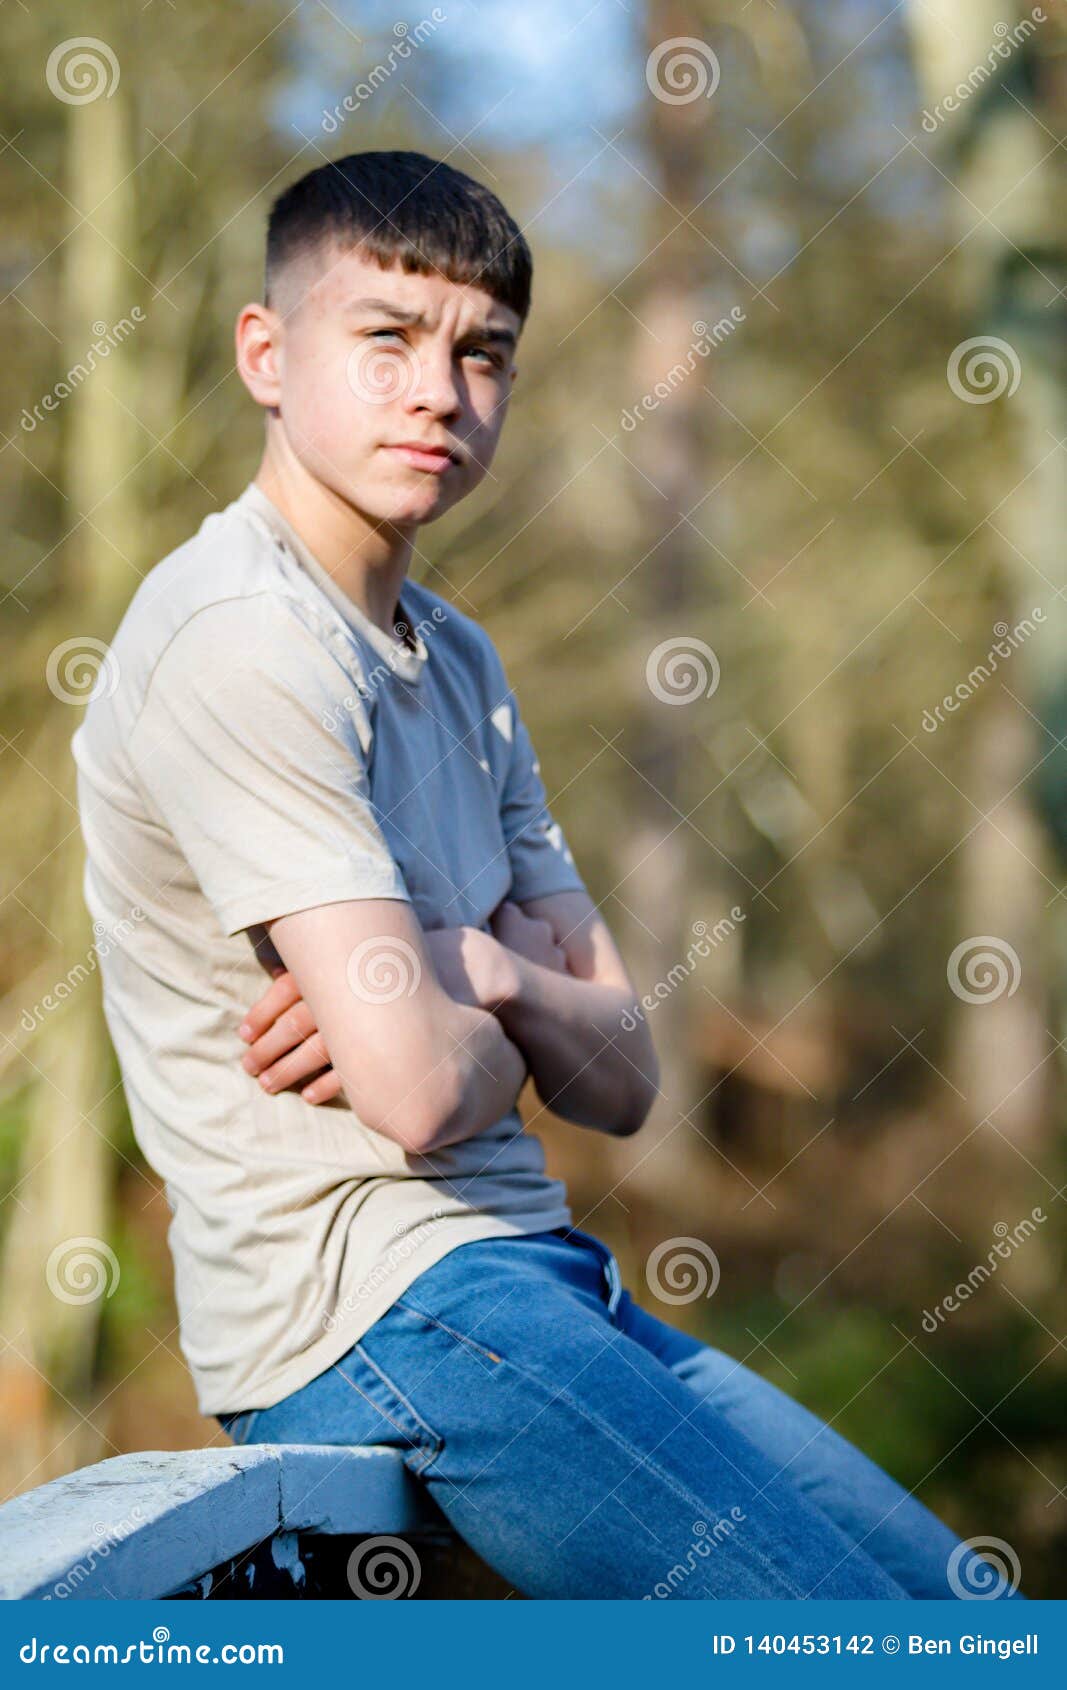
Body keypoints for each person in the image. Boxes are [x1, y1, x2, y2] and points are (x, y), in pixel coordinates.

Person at [73, 150, 1023, 1601]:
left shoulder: (460, 662)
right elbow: (413, 1090)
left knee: (965, 1609)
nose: (439, 394)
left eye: (483, 354)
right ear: (266, 353)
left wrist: (478, 970)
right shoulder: (240, 638)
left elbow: (627, 1075)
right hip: (382, 1315)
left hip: (541, 1276)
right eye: (385, 336)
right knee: (856, 1643)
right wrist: (497, 1002)